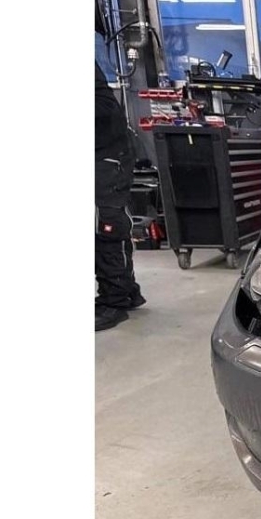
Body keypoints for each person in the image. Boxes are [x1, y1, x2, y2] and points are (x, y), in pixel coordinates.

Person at [95, 60, 145, 330]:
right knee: (105, 225)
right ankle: (126, 291)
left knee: (107, 225)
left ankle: (114, 301)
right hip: (101, 152)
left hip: (106, 153)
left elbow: (104, 108)